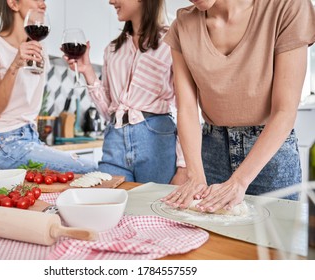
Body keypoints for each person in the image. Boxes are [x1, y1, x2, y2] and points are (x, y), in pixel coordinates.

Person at [162, 0, 315, 213]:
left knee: (272, 243)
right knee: (213, 245)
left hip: (270, 156)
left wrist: (239, 181)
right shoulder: (183, 24)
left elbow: (284, 111)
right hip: (210, 152)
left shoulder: (287, 7)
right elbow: (187, 108)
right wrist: (195, 175)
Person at [63, 0, 187, 184]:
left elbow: (187, 107)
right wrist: (87, 70)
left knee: (154, 207)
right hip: (115, 140)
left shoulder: (171, 41)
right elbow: (108, 112)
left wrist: (184, 167)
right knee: (106, 204)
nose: (111, 1)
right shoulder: (112, 50)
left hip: (156, 139)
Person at [0, 0, 96, 173]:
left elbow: (30, 105)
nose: (43, 5)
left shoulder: (40, 49)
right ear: (13, 3)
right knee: (90, 169)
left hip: (32, 139)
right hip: (2, 144)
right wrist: (15, 65)